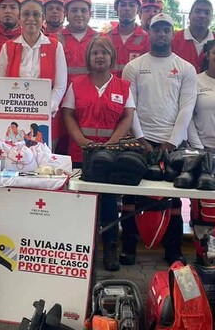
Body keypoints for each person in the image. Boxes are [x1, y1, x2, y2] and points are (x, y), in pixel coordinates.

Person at [122, 13, 198, 265]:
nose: (161, 34)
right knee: (131, 198)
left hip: (173, 144)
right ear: (149, 33)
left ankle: (173, 250)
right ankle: (129, 247)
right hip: (139, 141)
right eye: (157, 30)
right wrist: (141, 138)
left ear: (172, 34)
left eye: (166, 30)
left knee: (174, 198)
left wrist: (172, 142)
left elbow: (187, 107)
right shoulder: (133, 67)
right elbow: (129, 106)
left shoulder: (186, 68)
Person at [61, 36, 135, 271]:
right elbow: (68, 115)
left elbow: (128, 116)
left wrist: (113, 142)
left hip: (111, 155)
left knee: (109, 204)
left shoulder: (123, 86)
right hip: (81, 153)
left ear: (112, 56)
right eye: (95, 53)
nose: (99, 56)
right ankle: (79, 248)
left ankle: (110, 247)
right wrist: (82, 141)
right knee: (80, 202)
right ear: (88, 58)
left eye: (104, 52)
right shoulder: (77, 84)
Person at [0, 0, 67, 126]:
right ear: (19, 18)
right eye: (26, 14)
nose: (31, 18)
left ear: (43, 18)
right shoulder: (8, 47)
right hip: (12, 119)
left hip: (46, 119)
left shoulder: (55, 46)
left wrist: (43, 111)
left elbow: (60, 86)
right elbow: (0, 85)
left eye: (36, 14)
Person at [107, 0, 150, 76]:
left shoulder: (147, 40)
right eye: (123, 5)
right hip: (110, 88)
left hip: (135, 89)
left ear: (138, 10)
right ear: (116, 9)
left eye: (132, 5)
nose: (127, 8)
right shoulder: (105, 38)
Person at [58, 0, 97, 82]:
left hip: (91, 95)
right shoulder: (55, 40)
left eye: (83, 10)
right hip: (63, 95)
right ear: (66, 13)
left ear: (90, 14)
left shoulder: (101, 40)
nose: (79, 14)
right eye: (74, 10)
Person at [171, 0, 215, 72]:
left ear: (211, 17)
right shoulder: (173, 39)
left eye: (207, 13)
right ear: (189, 15)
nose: (202, 16)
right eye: (197, 11)